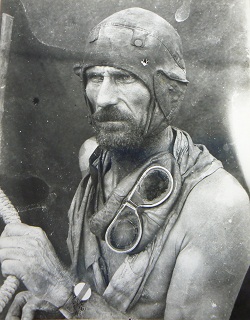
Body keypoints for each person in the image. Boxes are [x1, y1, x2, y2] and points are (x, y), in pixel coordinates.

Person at [0, 7, 249, 320]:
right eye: (95, 77)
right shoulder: (91, 159)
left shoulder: (217, 205)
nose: (103, 97)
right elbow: (94, 287)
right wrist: (52, 296)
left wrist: (61, 289)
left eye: (123, 77)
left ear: (166, 91)